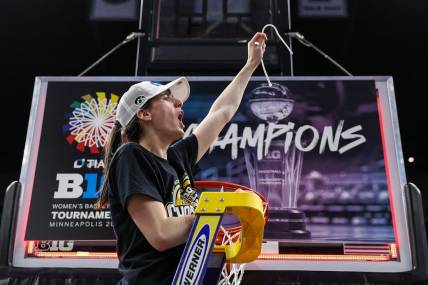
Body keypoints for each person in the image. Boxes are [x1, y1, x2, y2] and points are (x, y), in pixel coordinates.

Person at [96, 32, 267, 284]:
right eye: (167, 98)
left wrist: (250, 65)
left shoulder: (178, 157)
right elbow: (161, 234)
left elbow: (222, 112)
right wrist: (212, 212)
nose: (178, 104)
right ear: (143, 113)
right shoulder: (131, 155)